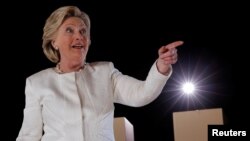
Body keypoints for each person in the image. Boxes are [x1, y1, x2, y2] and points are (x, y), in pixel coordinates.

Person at [16, 5, 183, 141]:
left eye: (83, 31)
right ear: (54, 42)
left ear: (89, 40)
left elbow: (142, 94)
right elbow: (29, 136)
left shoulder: (105, 72)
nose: (79, 36)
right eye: (69, 30)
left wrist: (162, 65)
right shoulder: (36, 83)